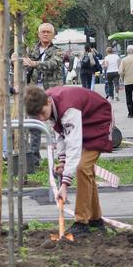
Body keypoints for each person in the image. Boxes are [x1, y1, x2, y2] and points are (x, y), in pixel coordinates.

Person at [24, 85, 113, 236]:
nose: (41, 118)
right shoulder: (49, 104)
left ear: (48, 102)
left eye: (42, 113)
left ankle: (81, 222)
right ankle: (96, 220)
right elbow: (61, 134)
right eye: (37, 116)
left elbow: (74, 144)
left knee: (82, 167)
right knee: (86, 170)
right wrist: (62, 162)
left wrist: (65, 184)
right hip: (83, 122)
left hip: (99, 121)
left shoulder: (69, 108)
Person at [23, 23, 64, 167]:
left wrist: (34, 64)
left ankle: (61, 157)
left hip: (53, 93)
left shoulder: (58, 51)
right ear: (38, 34)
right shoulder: (31, 50)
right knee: (34, 125)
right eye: (43, 32)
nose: (45, 34)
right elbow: (23, 62)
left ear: (53, 35)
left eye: (48, 32)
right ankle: (34, 160)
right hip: (35, 92)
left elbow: (53, 64)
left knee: (57, 125)